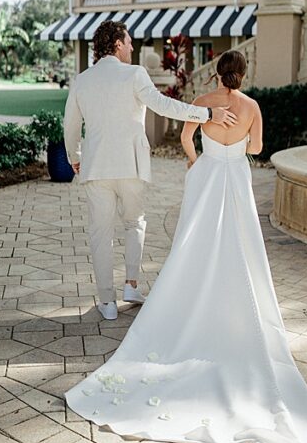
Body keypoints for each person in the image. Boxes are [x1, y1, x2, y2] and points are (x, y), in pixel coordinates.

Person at [65, 49, 307, 443]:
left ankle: (189, 297)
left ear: (216, 73)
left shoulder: (200, 104)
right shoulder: (251, 106)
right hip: (236, 177)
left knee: (195, 242)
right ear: (243, 74)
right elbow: (258, 146)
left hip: (208, 174)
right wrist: (240, 142)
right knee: (240, 242)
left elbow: (184, 139)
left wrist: (198, 159)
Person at [64, 20, 237, 321]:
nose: (132, 47)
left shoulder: (82, 80)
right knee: (135, 223)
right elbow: (164, 106)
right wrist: (208, 114)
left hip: (96, 167)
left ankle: (107, 301)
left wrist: (74, 156)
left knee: (100, 234)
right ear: (117, 43)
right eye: (129, 42)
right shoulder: (134, 75)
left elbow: (69, 125)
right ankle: (131, 285)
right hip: (130, 165)